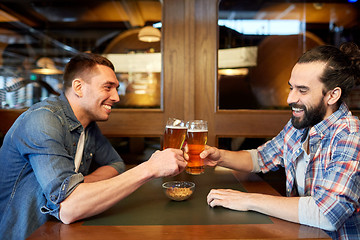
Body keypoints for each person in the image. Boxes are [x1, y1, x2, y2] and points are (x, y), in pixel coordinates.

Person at [0, 53, 187, 240]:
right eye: (108, 87)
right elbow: (70, 209)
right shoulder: (43, 120)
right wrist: (150, 168)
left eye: (116, 88)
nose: (116, 97)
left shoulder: (87, 125)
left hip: (59, 230)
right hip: (25, 234)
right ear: (79, 87)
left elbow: (115, 164)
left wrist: (79, 185)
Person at [203, 43, 360, 240]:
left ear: (332, 95)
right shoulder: (302, 123)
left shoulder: (350, 135)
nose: (290, 98)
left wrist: (248, 200)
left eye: (302, 90)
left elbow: (327, 214)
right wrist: (220, 157)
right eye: (291, 87)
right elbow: (262, 157)